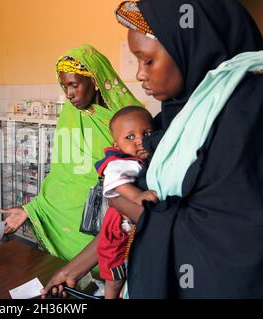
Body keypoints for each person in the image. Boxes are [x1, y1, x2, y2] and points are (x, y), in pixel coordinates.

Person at [42, 0, 262, 299]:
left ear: (190, 46)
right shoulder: (169, 119)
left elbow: (225, 240)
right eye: (136, 62)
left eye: (148, 61)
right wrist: (72, 270)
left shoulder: (243, 116)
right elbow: (128, 217)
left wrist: (120, 197)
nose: (140, 75)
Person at [0, 45, 142, 282]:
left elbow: (137, 167)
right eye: (65, 86)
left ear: (95, 80)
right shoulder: (69, 113)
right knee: (68, 283)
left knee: (111, 276)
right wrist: (32, 209)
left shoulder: (127, 117)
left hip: (113, 215)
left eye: (75, 85)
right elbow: (63, 174)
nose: (69, 93)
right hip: (66, 216)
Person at [95, 106, 157, 299]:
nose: (140, 140)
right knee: (114, 268)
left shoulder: (138, 158)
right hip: (116, 224)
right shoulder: (119, 161)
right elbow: (115, 181)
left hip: (128, 223)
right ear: (117, 144)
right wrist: (136, 196)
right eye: (129, 137)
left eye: (146, 133)